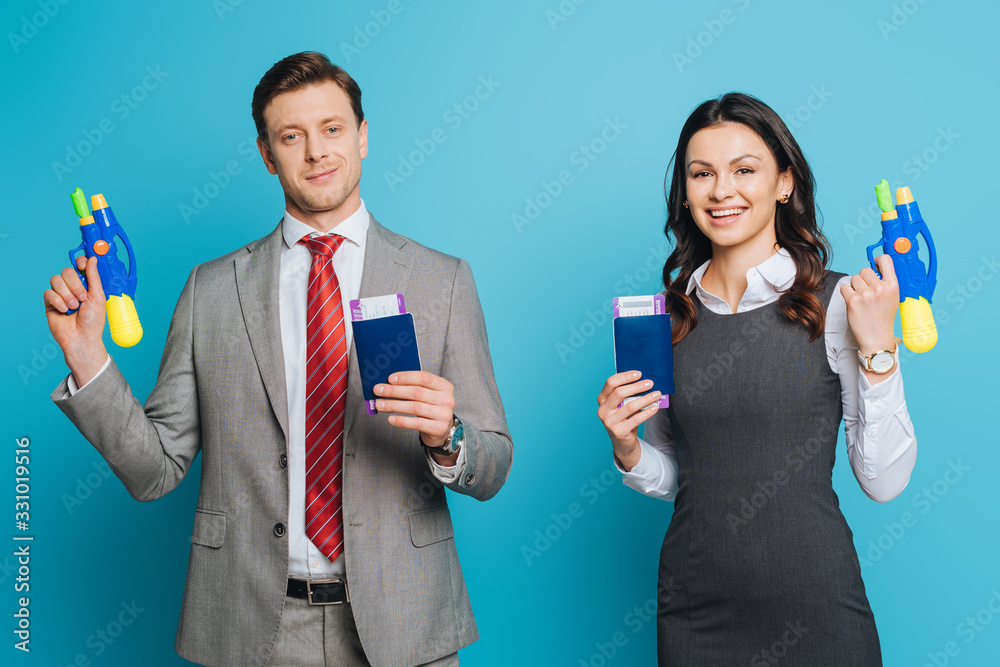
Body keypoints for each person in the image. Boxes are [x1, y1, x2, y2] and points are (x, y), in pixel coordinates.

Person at [44, 52, 512, 667]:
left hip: (405, 624)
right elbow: (154, 471)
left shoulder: (441, 280)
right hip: (251, 628)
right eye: (292, 136)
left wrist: (447, 436)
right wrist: (87, 358)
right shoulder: (211, 290)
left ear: (363, 136)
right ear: (267, 154)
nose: (316, 151)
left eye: (333, 129)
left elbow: (494, 464)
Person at [596, 93, 916, 666]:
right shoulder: (666, 320)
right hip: (696, 611)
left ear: (784, 183)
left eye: (745, 170)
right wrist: (626, 449)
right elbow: (680, 478)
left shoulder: (840, 302)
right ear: (686, 192)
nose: (722, 191)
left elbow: (884, 482)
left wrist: (880, 351)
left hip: (817, 608)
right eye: (702, 174)